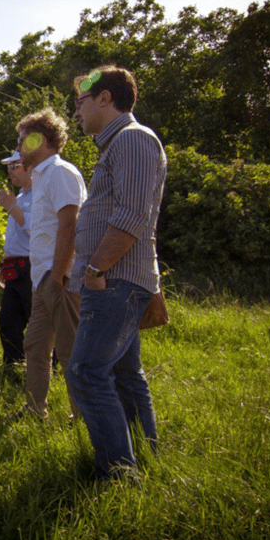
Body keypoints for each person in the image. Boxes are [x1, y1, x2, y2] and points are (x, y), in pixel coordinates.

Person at [66, 65, 167, 479]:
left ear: (105, 98)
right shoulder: (117, 146)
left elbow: (132, 217)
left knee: (87, 372)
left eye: (80, 103)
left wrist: (93, 270)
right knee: (125, 375)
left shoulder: (133, 140)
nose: (76, 114)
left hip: (114, 282)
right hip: (116, 280)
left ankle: (118, 475)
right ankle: (143, 458)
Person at [16, 108, 87, 419]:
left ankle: (83, 418)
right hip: (42, 278)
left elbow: (70, 225)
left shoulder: (60, 172)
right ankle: (35, 410)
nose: (17, 148)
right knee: (35, 346)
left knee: (71, 352)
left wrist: (59, 275)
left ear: (39, 139)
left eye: (21, 140)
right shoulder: (42, 178)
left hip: (60, 278)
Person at [0, 150, 33, 381]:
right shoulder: (19, 197)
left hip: (32, 266)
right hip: (14, 265)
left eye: (15, 166)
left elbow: (35, 229)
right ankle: (13, 372)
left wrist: (11, 207)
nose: (10, 171)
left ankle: (54, 372)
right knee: (8, 322)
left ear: (30, 167)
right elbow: (16, 236)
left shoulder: (40, 194)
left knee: (39, 324)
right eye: (9, 166)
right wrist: (4, 262)